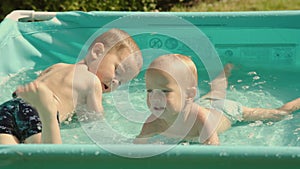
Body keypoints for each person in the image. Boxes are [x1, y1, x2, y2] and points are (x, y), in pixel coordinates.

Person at [0, 28, 143, 144]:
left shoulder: (57, 66)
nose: (115, 82)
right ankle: (47, 110)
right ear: (97, 52)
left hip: (11, 106)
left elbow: (34, 89)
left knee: (9, 157)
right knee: (44, 160)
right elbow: (95, 120)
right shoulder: (92, 81)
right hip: (39, 112)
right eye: (117, 71)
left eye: (122, 82)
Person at [134, 54, 299, 145]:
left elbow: (213, 153)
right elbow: (135, 150)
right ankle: (225, 71)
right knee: (216, 91)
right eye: (150, 90)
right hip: (204, 104)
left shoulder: (200, 120)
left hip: (225, 111)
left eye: (164, 91)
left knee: (279, 114)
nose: (155, 97)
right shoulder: (152, 122)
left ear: (189, 95)